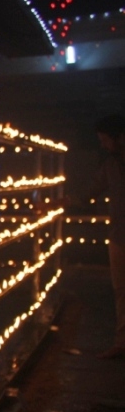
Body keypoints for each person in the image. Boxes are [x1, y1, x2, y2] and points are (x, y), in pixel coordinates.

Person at [69, 114, 125, 358]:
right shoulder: (110, 165)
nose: (102, 144)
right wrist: (63, 202)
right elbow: (91, 189)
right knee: (122, 291)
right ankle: (122, 343)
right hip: (119, 236)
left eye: (104, 139)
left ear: (119, 137)